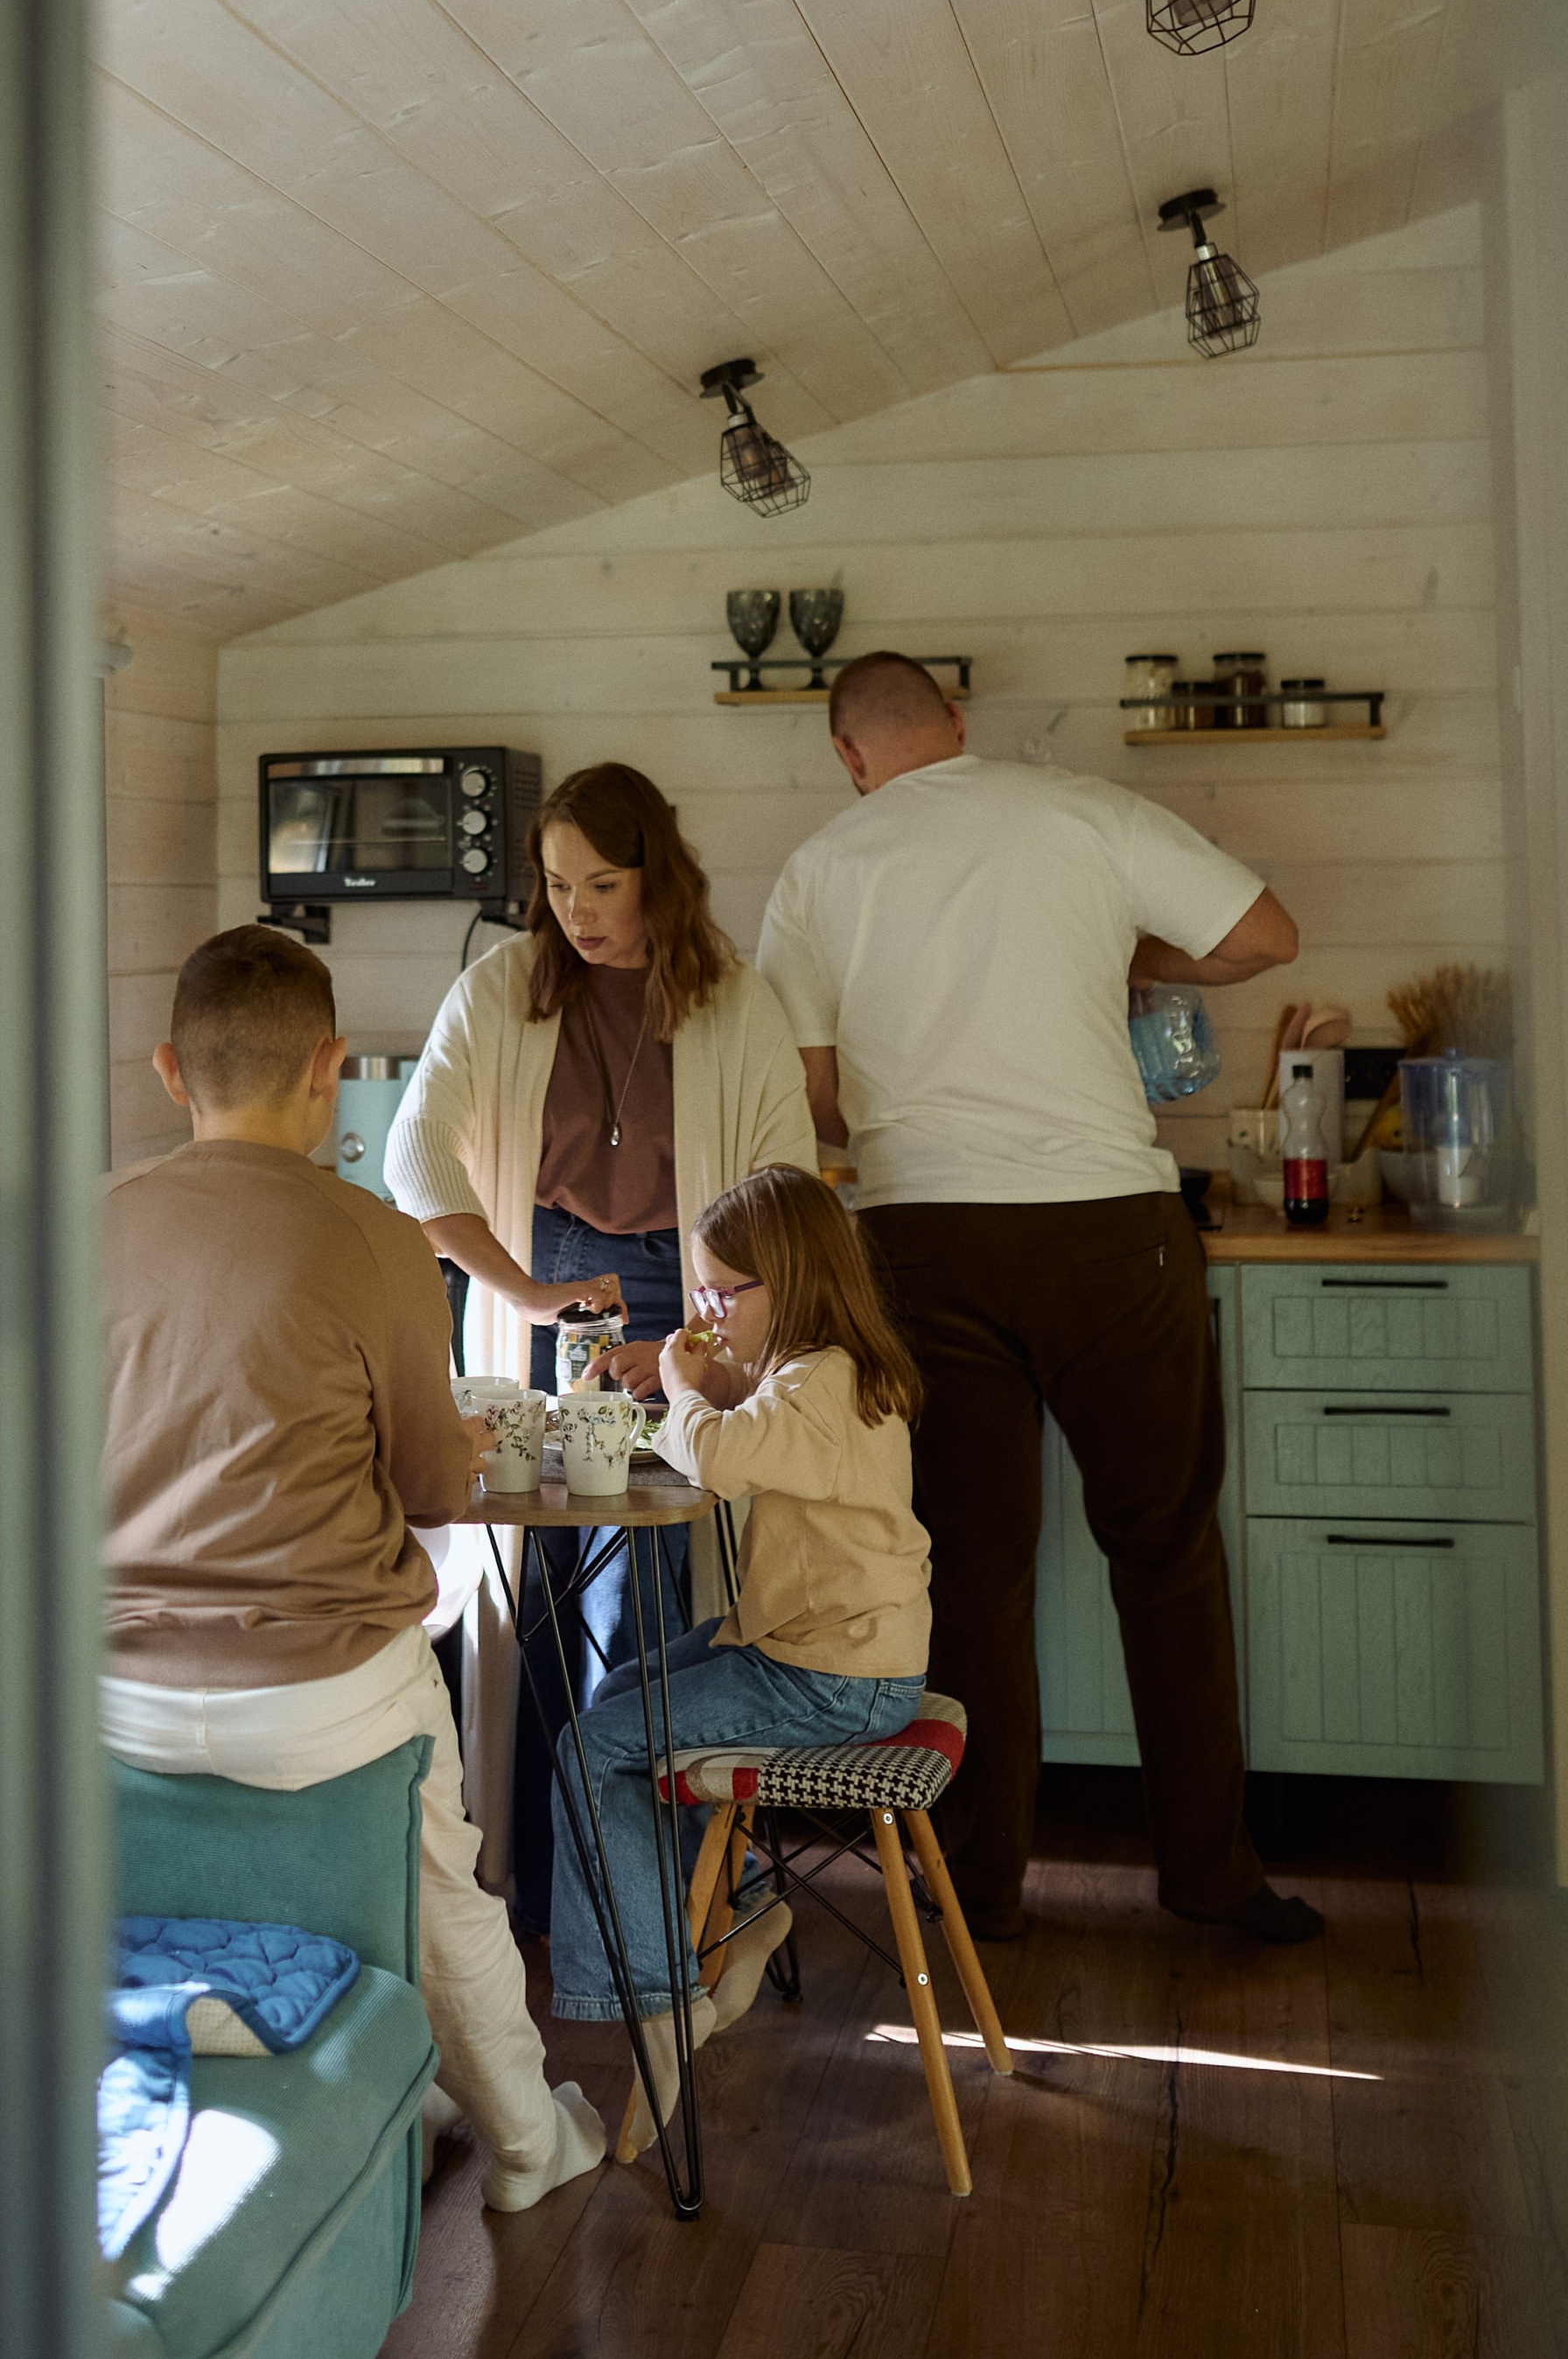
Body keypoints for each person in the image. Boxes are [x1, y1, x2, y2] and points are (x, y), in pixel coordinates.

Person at [755, 651, 1315, 1945]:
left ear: (849, 754)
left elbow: (817, 1089)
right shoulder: (1079, 810)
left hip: (923, 1238)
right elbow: (1266, 936)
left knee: (973, 1571)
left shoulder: (823, 866)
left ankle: (984, 1887)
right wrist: (1120, 943)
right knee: (1165, 1551)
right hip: (1112, 1233)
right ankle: (1211, 1877)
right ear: (959, 723)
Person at [99, 926, 607, 2213]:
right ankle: (528, 2148)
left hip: (114, 1695)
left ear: (170, 1070)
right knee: (449, 1876)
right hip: (323, 1698)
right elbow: (438, 1489)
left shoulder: (85, 1221)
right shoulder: (379, 1238)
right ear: (330, 1068)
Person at [384, 762, 816, 1905]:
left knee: (651, 1587)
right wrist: (518, 1289)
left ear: (656, 878)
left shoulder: (735, 997)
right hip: (553, 1277)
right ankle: (533, 1875)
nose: (577, 909)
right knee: (531, 1578)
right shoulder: (501, 987)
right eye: (559, 883)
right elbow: (413, 1157)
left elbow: (784, 1195)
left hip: (693, 1294)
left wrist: (719, 1348)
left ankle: (649, 1889)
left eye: (603, 883)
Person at [550, 1167, 930, 2146]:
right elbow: (756, 1423)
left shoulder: (821, 1386)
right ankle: (747, 1896)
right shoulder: (824, 1369)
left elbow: (721, 1458)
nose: (707, 1306)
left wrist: (683, 1387)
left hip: (831, 1680)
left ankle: (656, 1998)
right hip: (836, 1656)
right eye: (704, 1287)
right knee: (632, 1690)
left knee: (589, 1747)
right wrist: (713, 1381)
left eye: (726, 1290)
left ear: (791, 1279)